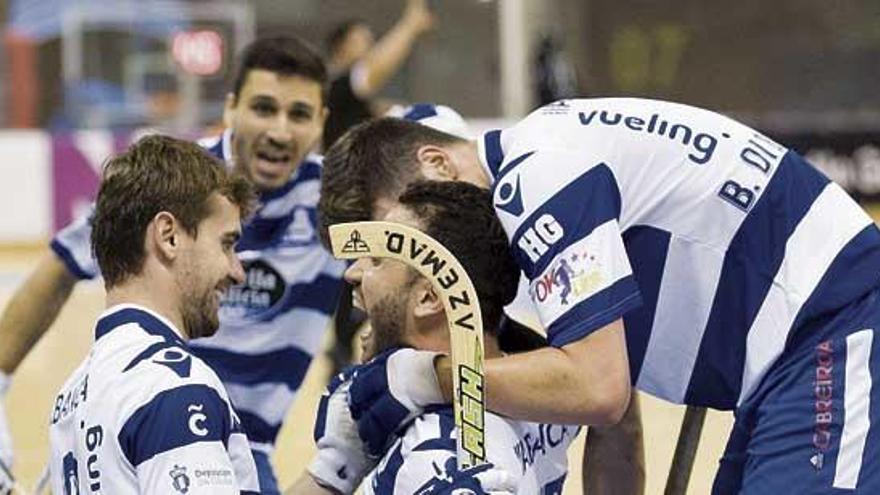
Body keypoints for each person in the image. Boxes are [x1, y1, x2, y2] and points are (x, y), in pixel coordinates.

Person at [318, 98, 880, 493]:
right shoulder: (541, 170)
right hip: (789, 360)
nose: (416, 255)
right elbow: (617, 421)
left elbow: (598, 390)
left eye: (400, 235)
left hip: (829, 328)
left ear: (437, 165)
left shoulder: (536, 180)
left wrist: (423, 375)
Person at [0, 36, 345, 494]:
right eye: (264, 108)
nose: (280, 131)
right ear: (231, 108)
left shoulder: (337, 202)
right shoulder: (173, 184)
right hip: (157, 412)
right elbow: (60, 265)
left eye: (298, 114)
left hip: (248, 443)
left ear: (321, 122)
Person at [289, 181, 577, 494]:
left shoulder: (432, 458)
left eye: (376, 260)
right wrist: (334, 470)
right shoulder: (549, 401)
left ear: (429, 297)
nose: (352, 273)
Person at [48, 135, 259, 493]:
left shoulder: (70, 396)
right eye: (226, 243)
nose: (237, 271)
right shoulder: (175, 386)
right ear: (168, 236)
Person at [322, 0, 435, 150]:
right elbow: (367, 70)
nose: (371, 46)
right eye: (362, 40)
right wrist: (410, 24)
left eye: (371, 40)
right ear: (342, 47)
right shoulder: (337, 84)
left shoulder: (346, 92)